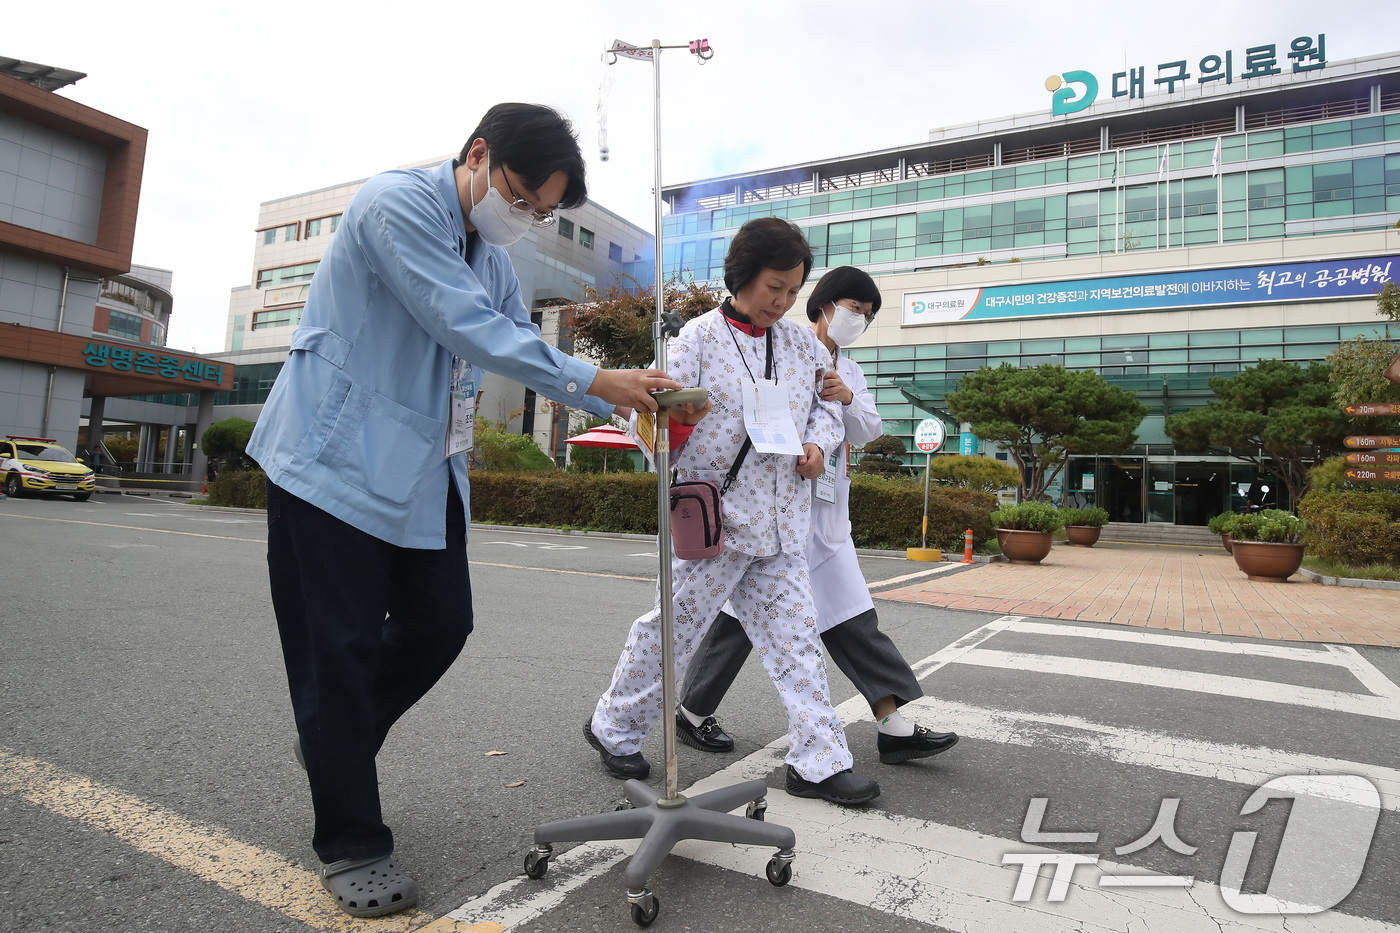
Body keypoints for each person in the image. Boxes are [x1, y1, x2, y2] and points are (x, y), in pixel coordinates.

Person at [245, 103, 682, 919]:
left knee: (442, 623)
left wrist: (633, 403)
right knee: (333, 652)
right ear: (478, 155)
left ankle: (333, 741)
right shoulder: (396, 204)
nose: (527, 218)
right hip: (330, 462)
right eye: (522, 197)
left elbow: (521, 343)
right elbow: (466, 325)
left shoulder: (495, 260)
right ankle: (352, 839)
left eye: (545, 212)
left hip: (421, 473)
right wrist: (598, 379)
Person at [587, 219, 881, 807]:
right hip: (714, 522)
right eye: (775, 286)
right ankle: (614, 727)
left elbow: (825, 410)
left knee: (798, 641)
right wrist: (676, 421)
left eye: (794, 290)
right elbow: (651, 427)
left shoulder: (801, 345)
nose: (784, 301)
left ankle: (819, 761)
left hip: (781, 526)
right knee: (671, 630)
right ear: (742, 276)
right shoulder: (695, 339)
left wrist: (820, 445)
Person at [676, 266, 959, 766]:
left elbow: (868, 427)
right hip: (774, 511)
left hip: (827, 518)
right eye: (853, 309)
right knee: (741, 620)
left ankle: (892, 725)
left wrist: (844, 398)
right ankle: (692, 712)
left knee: (853, 617)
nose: (858, 320)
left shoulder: (850, 370)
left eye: (867, 316)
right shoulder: (783, 346)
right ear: (825, 305)